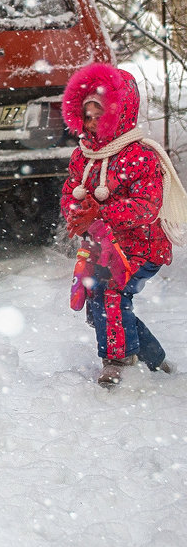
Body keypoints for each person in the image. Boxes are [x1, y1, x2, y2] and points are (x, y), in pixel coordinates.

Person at [60, 62, 187, 386]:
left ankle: (119, 362)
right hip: (102, 248)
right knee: (97, 302)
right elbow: (70, 193)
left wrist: (100, 213)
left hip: (142, 247)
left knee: (112, 295)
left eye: (99, 114)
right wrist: (76, 213)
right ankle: (154, 359)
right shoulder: (83, 156)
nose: (92, 122)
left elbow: (146, 207)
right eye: (87, 115)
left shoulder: (140, 156)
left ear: (119, 113)